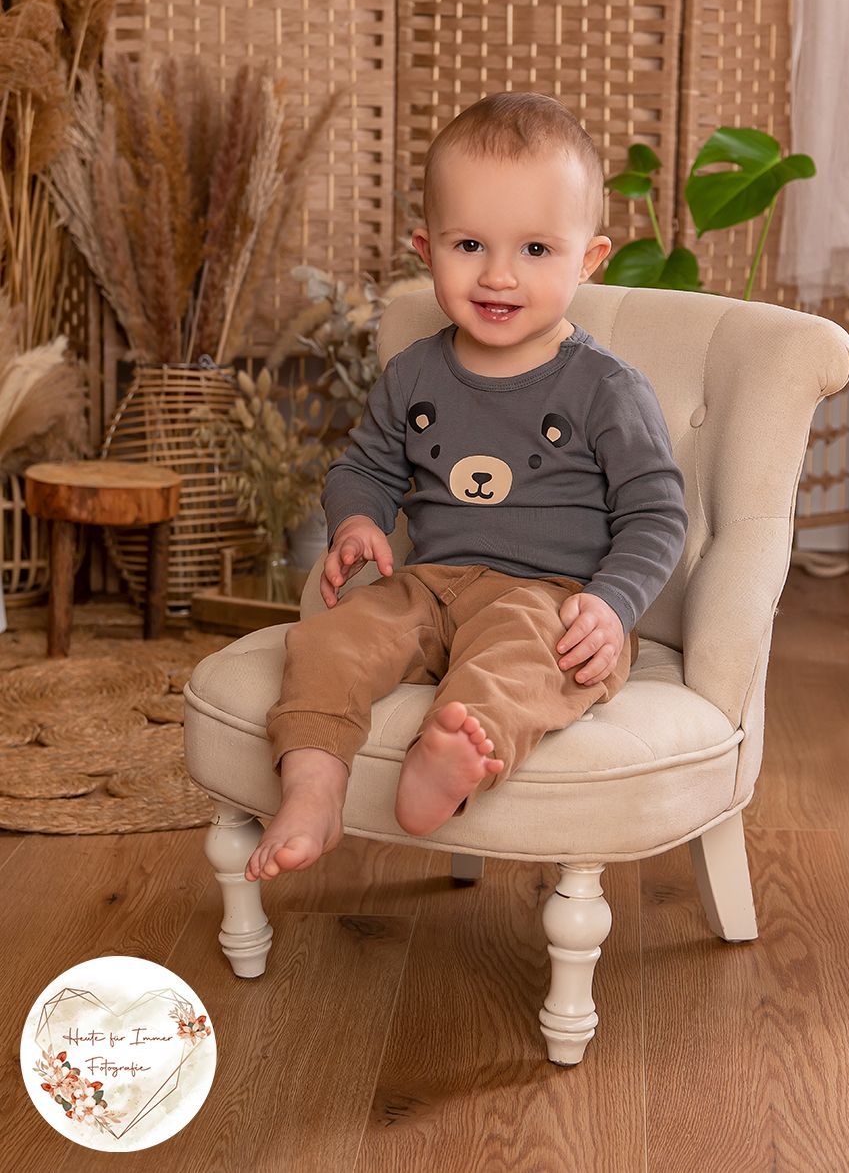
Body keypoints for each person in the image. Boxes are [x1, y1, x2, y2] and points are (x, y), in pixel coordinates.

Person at [245, 91, 687, 881]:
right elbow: (363, 468)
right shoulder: (415, 373)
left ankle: (448, 761)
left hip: (551, 598)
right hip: (428, 586)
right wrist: (357, 521)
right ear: (428, 248)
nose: (499, 275)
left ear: (589, 259)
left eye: (537, 250)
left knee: (521, 660)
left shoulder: (604, 387)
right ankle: (313, 787)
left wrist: (613, 605)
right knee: (327, 641)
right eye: (470, 244)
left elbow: (655, 514)